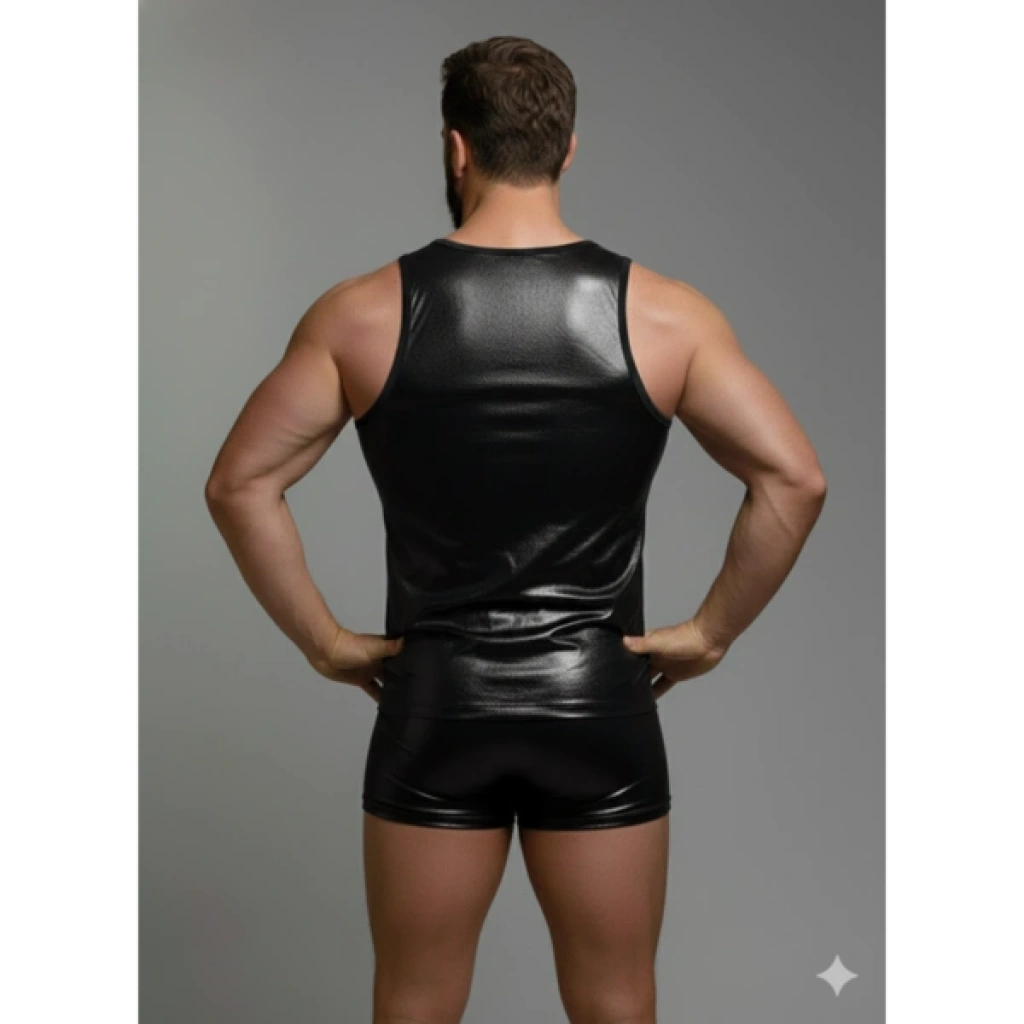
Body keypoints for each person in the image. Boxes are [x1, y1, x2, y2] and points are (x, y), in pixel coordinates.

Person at [204, 34, 827, 1024]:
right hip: (597, 702)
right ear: (567, 148)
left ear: (455, 149)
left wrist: (324, 642)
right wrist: (710, 633)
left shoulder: (360, 314)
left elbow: (241, 483)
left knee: (415, 1001)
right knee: (615, 1001)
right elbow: (794, 478)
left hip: (436, 701)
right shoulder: (668, 315)